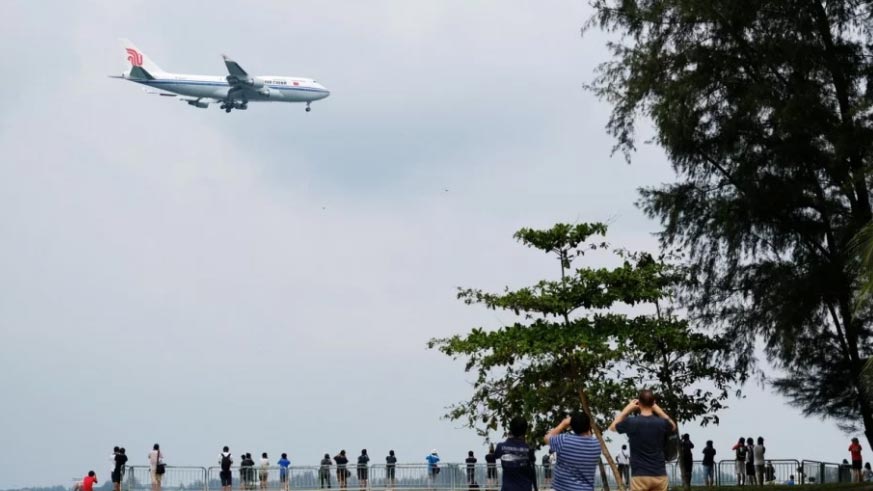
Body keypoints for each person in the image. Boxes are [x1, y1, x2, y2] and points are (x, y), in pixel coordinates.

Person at [609, 390, 677, 491]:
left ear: (639, 403)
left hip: (639, 475)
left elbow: (612, 427)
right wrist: (658, 410)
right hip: (659, 474)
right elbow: (673, 426)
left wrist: (627, 409)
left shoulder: (631, 422)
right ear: (653, 403)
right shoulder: (661, 423)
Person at [544, 411, 601, 491]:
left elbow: (547, 438)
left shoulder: (564, 440)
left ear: (571, 426)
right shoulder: (596, 445)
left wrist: (563, 424)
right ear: (588, 426)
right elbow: (588, 436)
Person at [494, 417, 537, 491]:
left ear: (511, 429)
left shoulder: (501, 447)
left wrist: (509, 439)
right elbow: (532, 469)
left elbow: (495, 455)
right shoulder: (529, 449)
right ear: (525, 431)